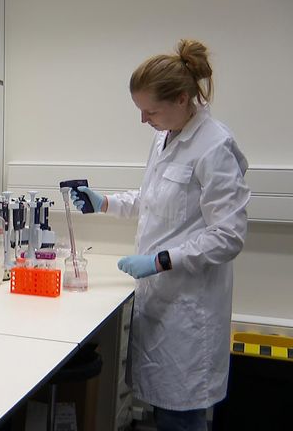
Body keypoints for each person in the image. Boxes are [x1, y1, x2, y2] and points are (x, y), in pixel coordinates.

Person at [71, 39, 251, 431]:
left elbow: (229, 234)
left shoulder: (214, 146)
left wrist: (161, 260)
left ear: (183, 99)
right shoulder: (164, 135)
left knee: (181, 418)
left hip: (191, 309)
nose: (143, 120)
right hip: (161, 302)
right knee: (162, 412)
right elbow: (154, 200)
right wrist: (104, 203)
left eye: (149, 111)